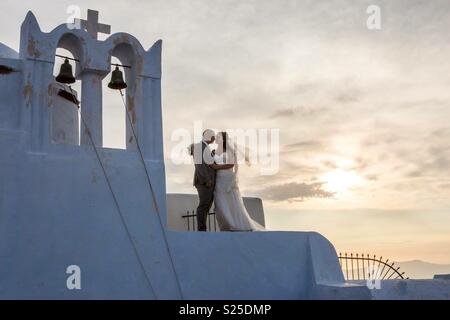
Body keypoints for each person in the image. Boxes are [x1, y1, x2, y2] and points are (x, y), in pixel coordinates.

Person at [210, 132, 265, 231]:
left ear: (223, 139)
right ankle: (226, 224)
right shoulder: (214, 151)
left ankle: (236, 224)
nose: (216, 138)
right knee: (219, 200)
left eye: (218, 137)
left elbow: (231, 164)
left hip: (227, 177)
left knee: (231, 200)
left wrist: (217, 167)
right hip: (218, 178)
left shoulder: (229, 150)